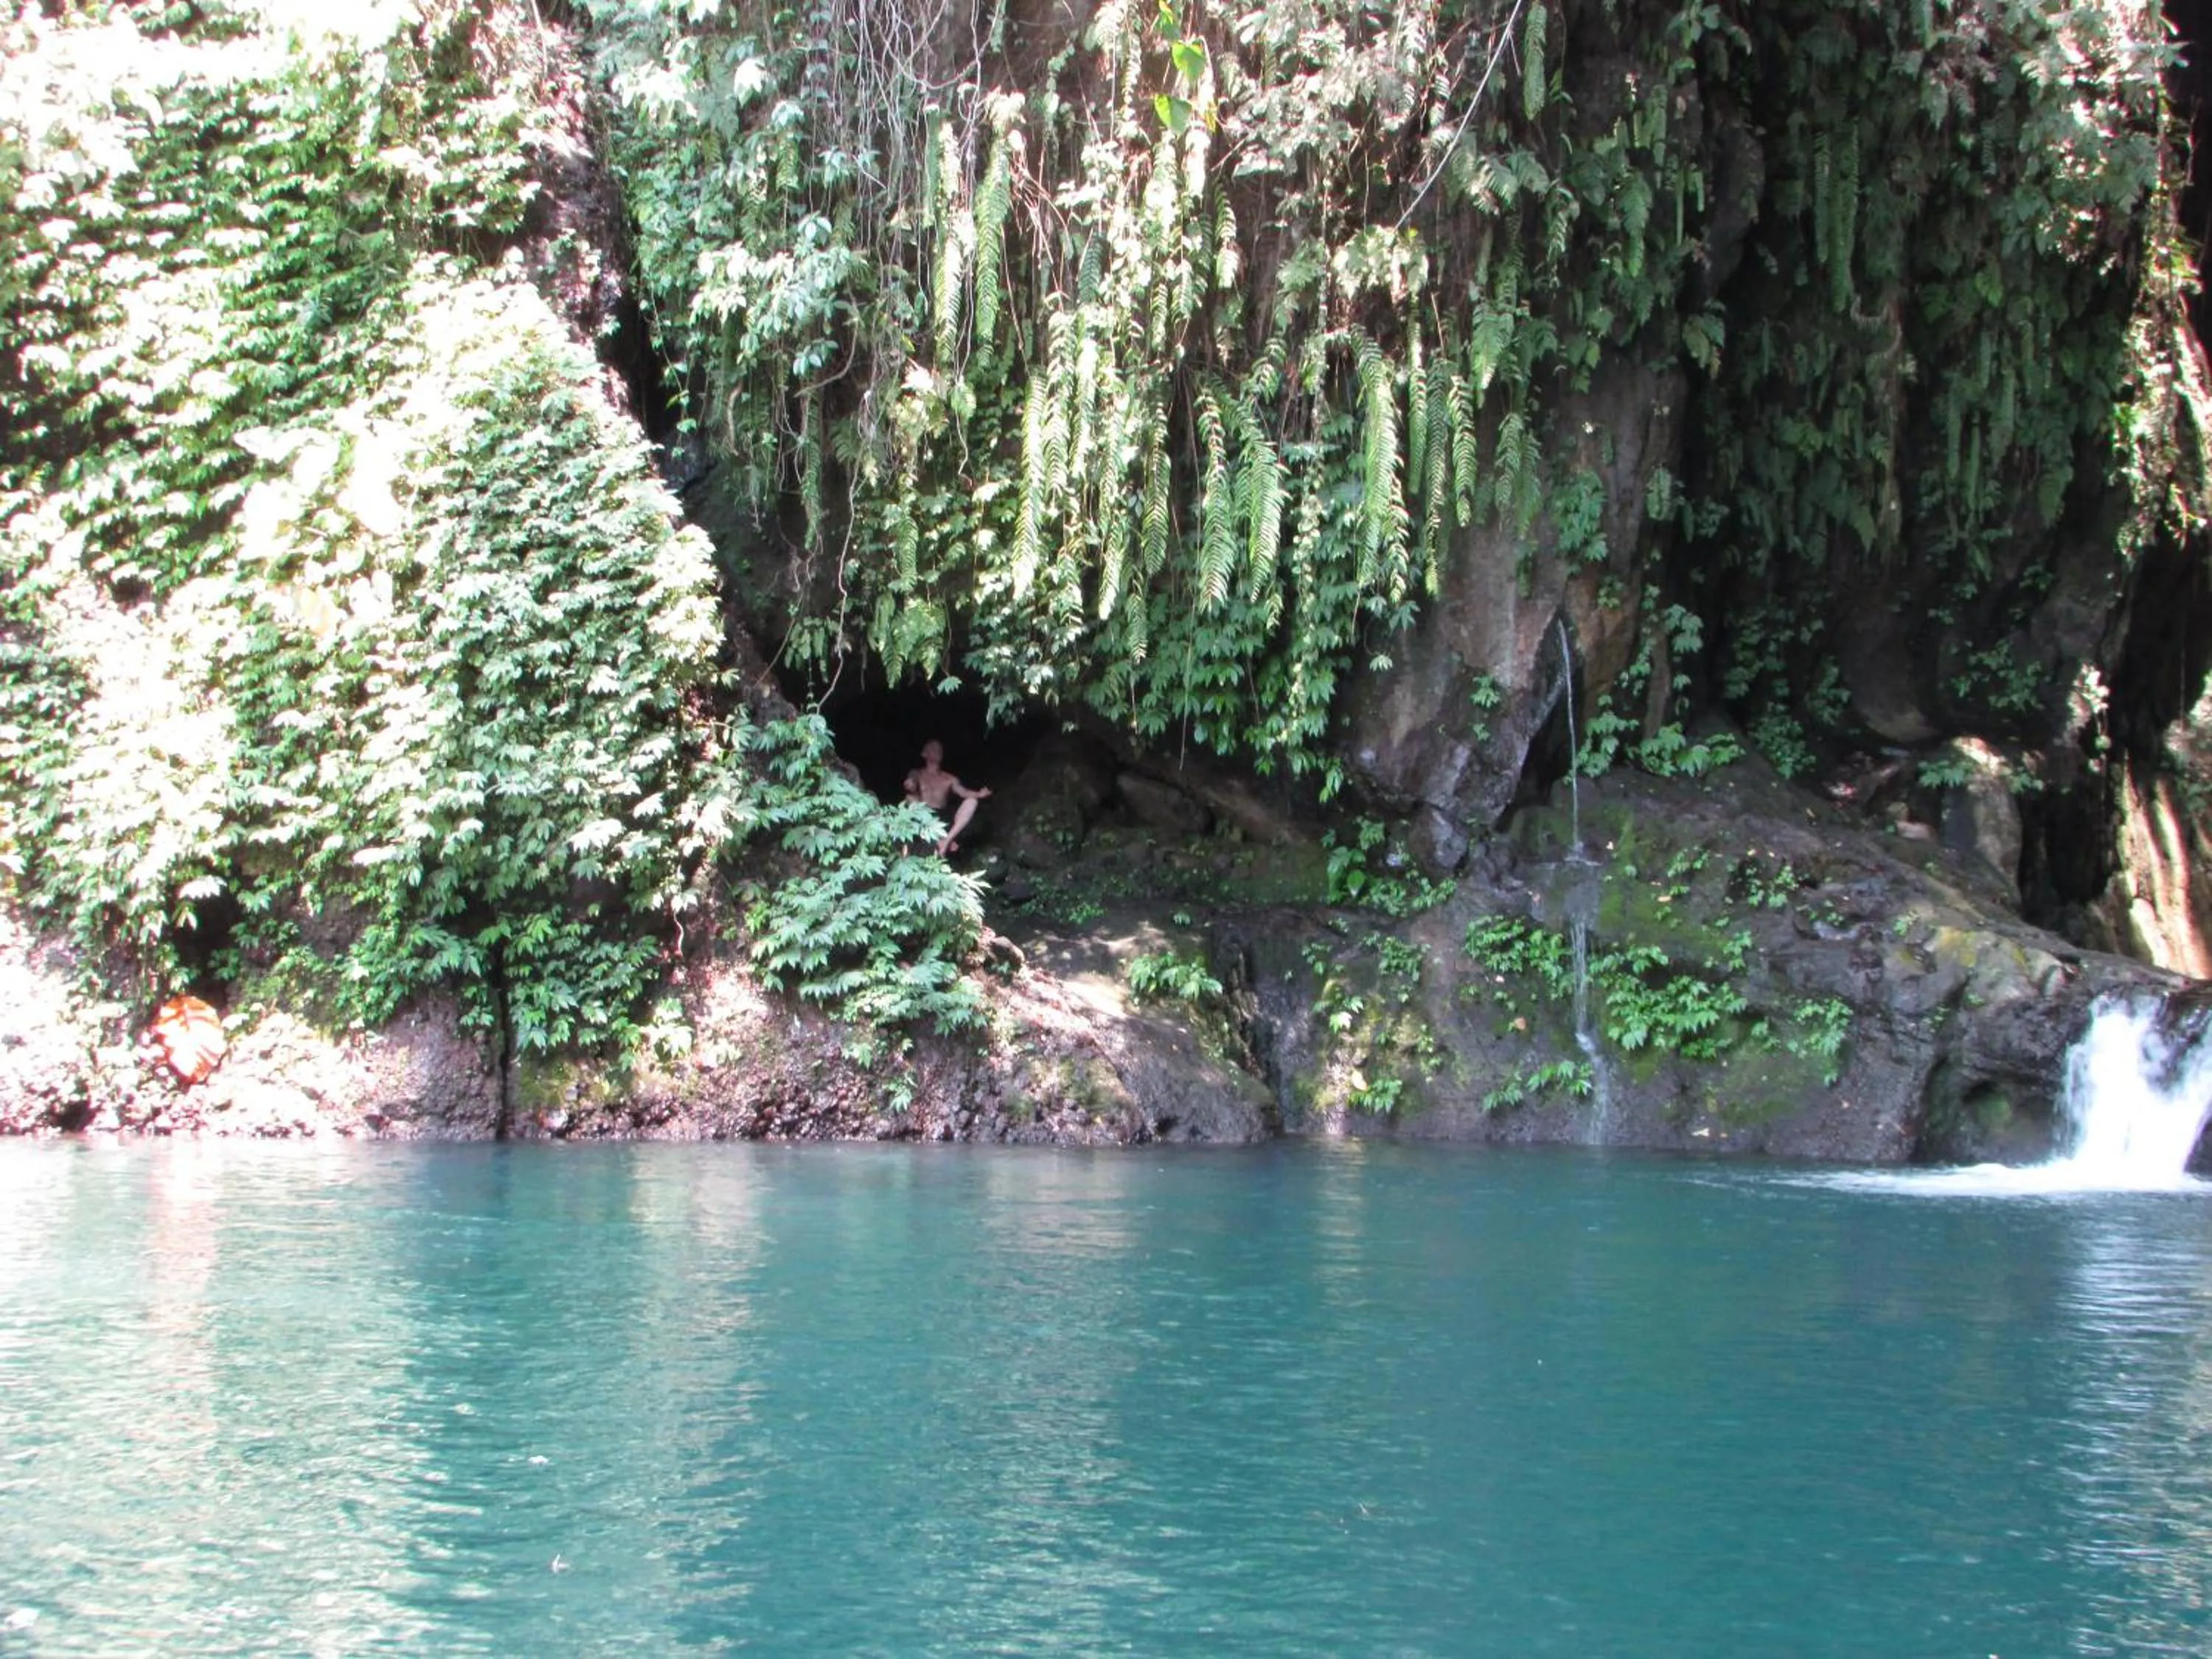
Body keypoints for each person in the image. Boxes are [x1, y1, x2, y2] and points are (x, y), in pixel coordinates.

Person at [904, 738, 991, 855]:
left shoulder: (949, 778)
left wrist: (979, 794)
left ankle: (946, 841)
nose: (937, 750)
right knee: (910, 798)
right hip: (923, 816)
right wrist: (910, 785)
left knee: (972, 802)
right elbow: (911, 783)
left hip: (942, 817)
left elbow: (964, 792)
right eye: (933, 748)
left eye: (939, 749)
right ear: (924, 754)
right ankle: (938, 839)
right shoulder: (917, 773)